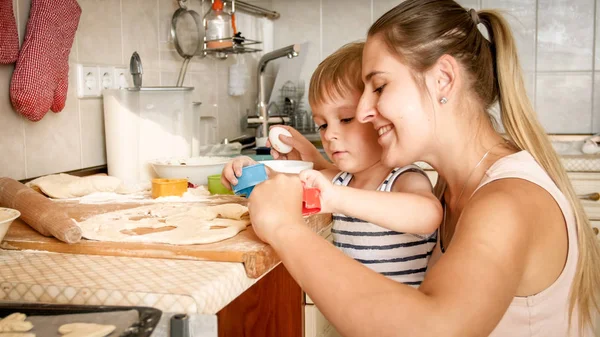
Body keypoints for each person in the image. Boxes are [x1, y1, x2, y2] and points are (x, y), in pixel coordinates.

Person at [246, 0, 600, 336]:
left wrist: (284, 227)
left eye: (379, 86)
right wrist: (316, 166)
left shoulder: (507, 201)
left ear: (443, 79)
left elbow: (431, 329)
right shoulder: (454, 186)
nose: (367, 110)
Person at [222, 42, 442, 286]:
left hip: (401, 319)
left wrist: (338, 198)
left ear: (376, 114)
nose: (329, 135)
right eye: (323, 124)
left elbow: (428, 215)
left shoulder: (402, 177)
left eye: (345, 119)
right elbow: (279, 186)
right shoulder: (339, 179)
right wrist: (245, 170)